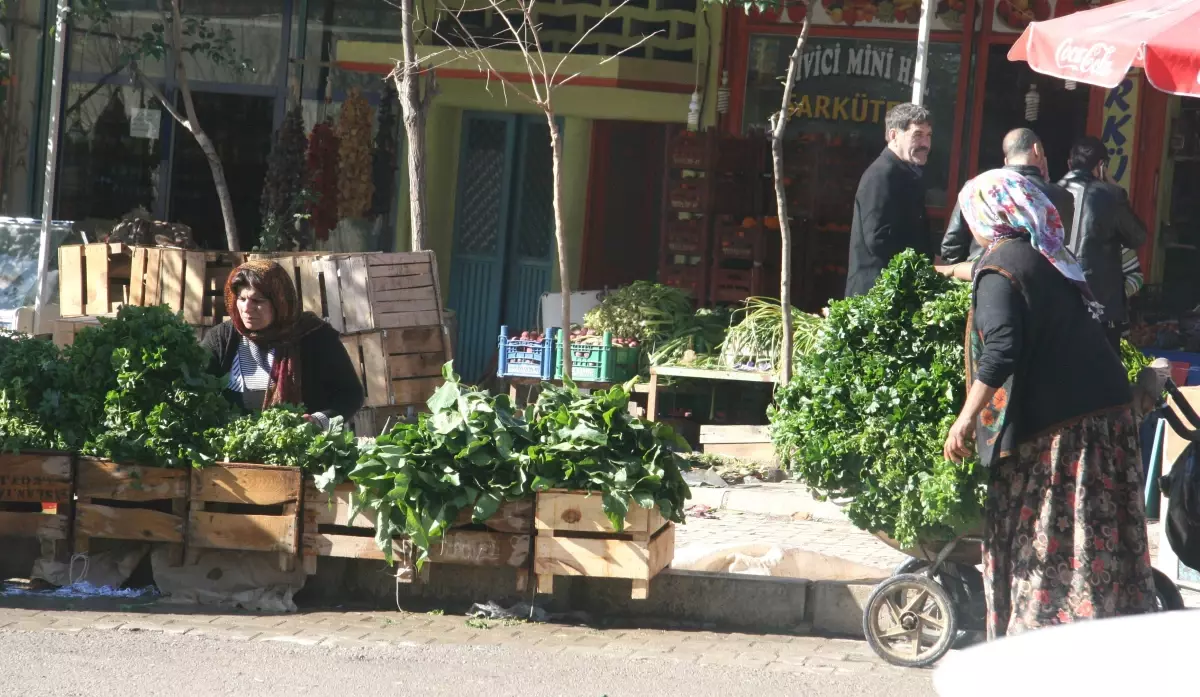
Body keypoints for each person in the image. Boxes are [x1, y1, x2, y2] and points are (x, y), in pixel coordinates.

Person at [942, 169, 1155, 640]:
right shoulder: (1048, 256)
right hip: (1104, 417)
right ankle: (1105, 635)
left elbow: (1000, 349)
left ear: (988, 214)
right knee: (1096, 538)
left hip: (1067, 434)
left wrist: (964, 420)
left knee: (1053, 538)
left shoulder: (1000, 268)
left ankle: (1047, 642)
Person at [202, 259, 364, 428]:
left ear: (280, 302)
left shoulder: (315, 337)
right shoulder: (221, 339)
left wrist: (319, 421)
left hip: (303, 447)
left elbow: (351, 394)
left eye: (257, 301)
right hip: (233, 450)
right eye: (241, 299)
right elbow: (196, 385)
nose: (247, 308)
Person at [939, 128, 1074, 271]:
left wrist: (964, 275)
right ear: (1036, 150)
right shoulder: (1062, 196)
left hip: (982, 276)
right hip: (1039, 284)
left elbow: (951, 247)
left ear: (1006, 160)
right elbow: (1058, 250)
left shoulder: (976, 188)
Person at [1059, 136, 1147, 352]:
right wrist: (1117, 192)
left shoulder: (1048, 192)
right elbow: (1138, 237)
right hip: (1100, 310)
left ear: (1069, 164)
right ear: (1101, 166)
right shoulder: (1111, 196)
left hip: (1055, 304)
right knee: (1102, 378)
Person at [845, 103, 935, 297]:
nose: (925, 144)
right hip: (876, 296)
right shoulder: (881, 175)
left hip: (893, 290)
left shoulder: (904, 173)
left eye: (929, 135)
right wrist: (925, 261)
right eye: (917, 135)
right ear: (894, 135)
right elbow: (878, 239)